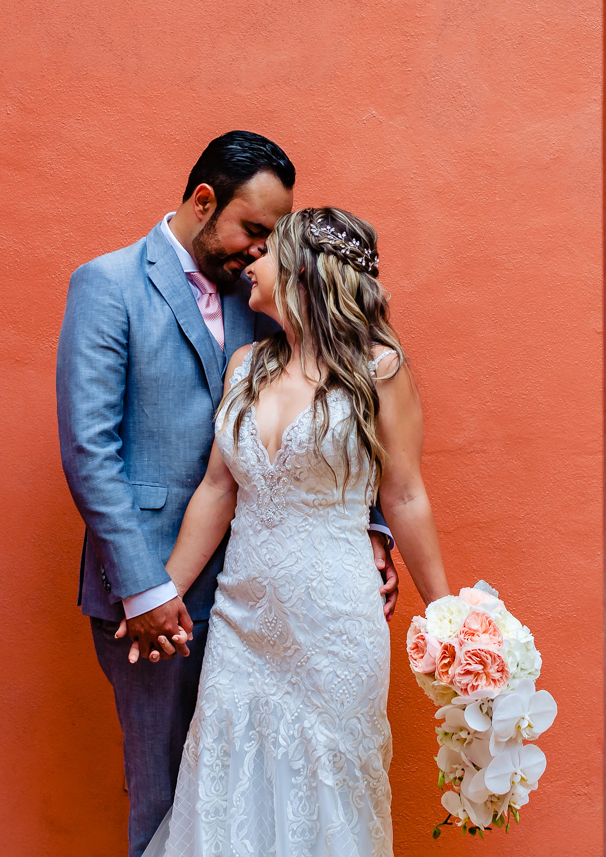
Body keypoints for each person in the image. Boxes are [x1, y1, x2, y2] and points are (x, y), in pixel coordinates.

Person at [57, 134, 400, 857]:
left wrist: (367, 525)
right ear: (205, 200)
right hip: (154, 597)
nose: (260, 252)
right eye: (254, 230)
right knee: (170, 801)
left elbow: (332, 403)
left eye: (273, 238)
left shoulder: (267, 296)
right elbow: (91, 452)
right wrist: (146, 590)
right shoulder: (108, 284)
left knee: (269, 804)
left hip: (270, 600)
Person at [136, 207, 451, 857]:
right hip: (242, 620)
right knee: (226, 785)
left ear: (302, 272)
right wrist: (164, 592)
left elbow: (406, 491)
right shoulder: (245, 365)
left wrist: (446, 610)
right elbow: (218, 489)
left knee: (328, 786)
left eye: (265, 253)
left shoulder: (380, 369)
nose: (249, 264)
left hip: (335, 621)